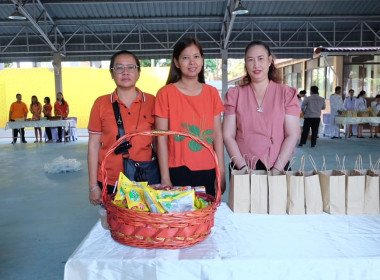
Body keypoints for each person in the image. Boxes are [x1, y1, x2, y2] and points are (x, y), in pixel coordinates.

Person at [155, 37, 226, 197]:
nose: (192, 62)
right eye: (185, 57)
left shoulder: (212, 93)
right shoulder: (165, 94)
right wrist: (165, 177)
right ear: (177, 63)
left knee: (206, 219)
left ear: (202, 60)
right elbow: (161, 138)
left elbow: (217, 135)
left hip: (208, 169)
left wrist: (220, 171)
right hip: (176, 170)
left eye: (196, 56)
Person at [88, 50, 157, 206]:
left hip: (144, 178)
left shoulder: (152, 101)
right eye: (119, 68)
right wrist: (93, 185)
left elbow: (159, 143)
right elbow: (93, 146)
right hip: (110, 180)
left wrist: (165, 177)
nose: (125, 72)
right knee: (113, 227)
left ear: (139, 72)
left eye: (131, 67)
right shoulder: (101, 103)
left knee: (144, 226)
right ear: (112, 73)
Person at [223, 40, 300, 172]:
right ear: (246, 63)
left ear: (270, 60)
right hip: (242, 166)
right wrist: (242, 167)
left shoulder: (286, 93)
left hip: (278, 165)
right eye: (250, 60)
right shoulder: (234, 94)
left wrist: (277, 170)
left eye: (260, 59)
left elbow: (293, 134)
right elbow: (228, 135)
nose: (256, 65)